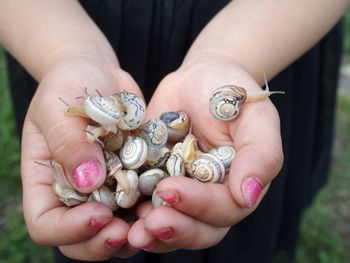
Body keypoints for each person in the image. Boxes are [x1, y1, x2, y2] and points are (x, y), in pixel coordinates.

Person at [0, 0, 348, 262]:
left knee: (240, 232)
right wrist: (64, 53)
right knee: (101, 226)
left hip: (270, 37)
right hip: (51, 28)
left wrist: (230, 57)